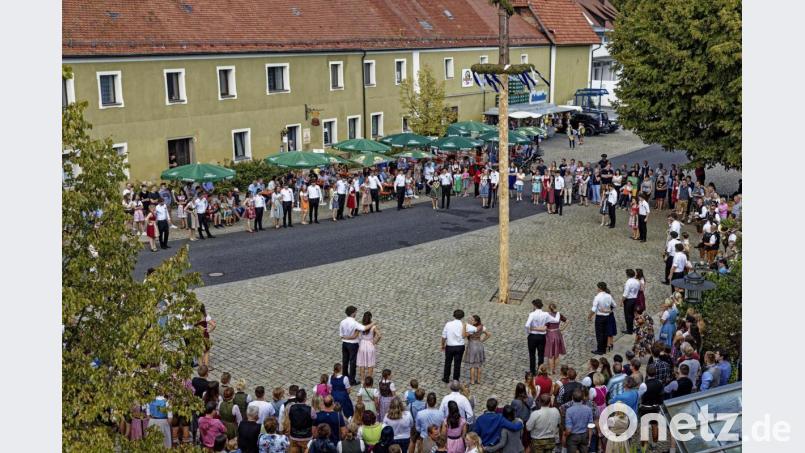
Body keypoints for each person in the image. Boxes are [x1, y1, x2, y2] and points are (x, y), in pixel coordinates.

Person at [524, 299, 560, 375]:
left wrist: (529, 332)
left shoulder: (532, 314)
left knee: (532, 354)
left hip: (532, 336)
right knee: (541, 355)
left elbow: (527, 325)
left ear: (534, 306)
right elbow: (556, 320)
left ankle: (532, 371)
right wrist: (558, 314)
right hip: (542, 337)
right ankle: (540, 371)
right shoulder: (546, 314)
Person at [341, 306, 374, 385]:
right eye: (355, 312)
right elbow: (364, 328)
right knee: (352, 362)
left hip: (344, 344)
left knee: (345, 361)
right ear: (353, 313)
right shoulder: (355, 323)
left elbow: (341, 334)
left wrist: (345, 337)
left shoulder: (342, 322)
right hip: (353, 345)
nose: (356, 313)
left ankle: (345, 376)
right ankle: (352, 380)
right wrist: (373, 323)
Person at [441, 310, 476, 383]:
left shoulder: (448, 324)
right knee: (457, 363)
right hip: (460, 347)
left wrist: (442, 345)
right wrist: (468, 333)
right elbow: (475, 329)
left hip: (450, 346)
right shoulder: (464, 325)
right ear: (462, 317)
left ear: (453, 315)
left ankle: (446, 378)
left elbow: (444, 336)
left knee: (448, 362)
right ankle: (456, 379)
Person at [589, 282, 616, 355]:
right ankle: (604, 348)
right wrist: (609, 311)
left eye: (597, 287)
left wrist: (589, 316)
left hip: (600, 317)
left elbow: (593, 309)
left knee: (599, 333)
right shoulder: (609, 296)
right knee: (605, 333)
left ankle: (600, 350)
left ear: (600, 288)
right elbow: (614, 305)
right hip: (607, 317)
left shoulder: (597, 297)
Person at [464, 315, 490, 385]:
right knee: (479, 365)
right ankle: (478, 380)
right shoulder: (481, 327)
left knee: (472, 365)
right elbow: (488, 334)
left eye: (472, 320)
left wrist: (465, 327)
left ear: (476, 321)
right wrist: (482, 340)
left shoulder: (471, 329)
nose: (471, 320)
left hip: (472, 345)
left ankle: (472, 380)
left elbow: (465, 335)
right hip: (479, 345)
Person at [356, 312, 381, 384]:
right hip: (370, 345)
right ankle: (369, 381)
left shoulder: (361, 325)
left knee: (362, 363)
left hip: (362, 345)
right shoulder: (373, 327)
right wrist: (375, 342)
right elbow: (379, 335)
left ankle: (362, 380)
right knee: (370, 364)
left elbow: (357, 335)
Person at [544, 303, 568, 375]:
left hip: (550, 335)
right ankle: (554, 369)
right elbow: (567, 321)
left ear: (549, 308)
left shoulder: (547, 316)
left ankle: (551, 371)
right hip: (558, 334)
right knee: (556, 354)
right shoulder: (559, 314)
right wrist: (562, 328)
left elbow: (545, 326)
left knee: (550, 354)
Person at [622, 269, 640, 335]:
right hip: (635, 299)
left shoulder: (628, 282)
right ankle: (633, 327)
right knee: (632, 314)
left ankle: (629, 330)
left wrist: (622, 301)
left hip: (629, 300)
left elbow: (625, 294)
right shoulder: (637, 281)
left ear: (627, 275)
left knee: (628, 315)